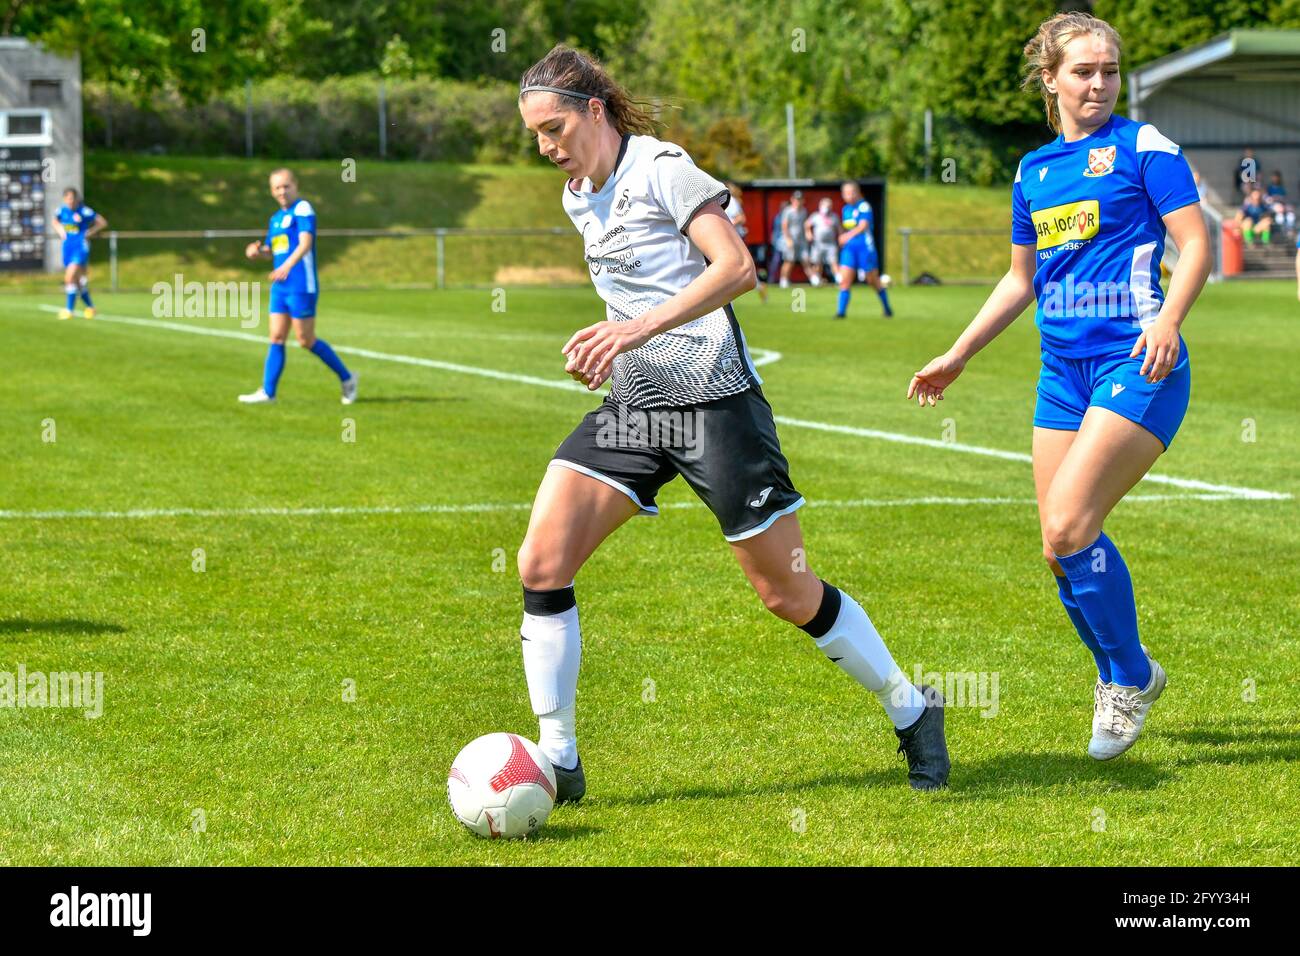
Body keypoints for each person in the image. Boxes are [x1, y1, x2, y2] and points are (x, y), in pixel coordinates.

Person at [516, 44, 951, 801]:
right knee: (541, 565)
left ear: (594, 110)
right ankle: (561, 761)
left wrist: (633, 328)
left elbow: (735, 270)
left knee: (787, 594)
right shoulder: (579, 194)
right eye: (536, 139)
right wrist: (614, 338)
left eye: (556, 129)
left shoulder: (660, 167)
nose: (549, 149)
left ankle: (912, 712)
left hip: (715, 407)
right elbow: (646, 287)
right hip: (636, 409)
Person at [907, 12, 1210, 760]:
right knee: (1056, 545)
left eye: (1109, 70)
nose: (1099, 83)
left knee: (1072, 522)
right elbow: (1022, 280)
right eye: (1083, 71)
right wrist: (959, 353)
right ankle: (1126, 673)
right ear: (1051, 78)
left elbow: (1199, 242)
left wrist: (1170, 318)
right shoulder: (1034, 170)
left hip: (1139, 364)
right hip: (1061, 377)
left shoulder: (1145, 148)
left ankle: (1129, 677)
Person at [238, 168, 358, 405]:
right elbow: (275, 249)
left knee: (305, 340)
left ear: (296, 186)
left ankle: (347, 378)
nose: (282, 191)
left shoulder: (303, 209)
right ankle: (268, 392)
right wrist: (257, 253)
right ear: (272, 191)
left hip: (301, 285)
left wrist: (287, 267)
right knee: (277, 336)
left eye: (286, 186)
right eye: (277, 188)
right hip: (281, 286)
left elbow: (305, 243)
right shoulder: (275, 219)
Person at [835, 181, 892, 318]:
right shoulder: (846, 209)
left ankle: (887, 309)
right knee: (844, 280)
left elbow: (862, 226)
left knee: (872, 280)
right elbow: (847, 227)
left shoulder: (864, 206)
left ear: (858, 192)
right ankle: (841, 313)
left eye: (851, 192)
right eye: (846, 193)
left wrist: (846, 236)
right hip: (849, 249)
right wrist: (842, 237)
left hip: (865, 248)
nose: (849, 195)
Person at [51, 188, 106, 320]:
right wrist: (60, 231)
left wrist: (90, 233)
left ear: (77, 199)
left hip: (80, 247)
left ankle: (69, 310)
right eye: (68, 198)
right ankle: (91, 307)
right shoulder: (61, 211)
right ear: (65, 199)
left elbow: (102, 222)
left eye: (72, 198)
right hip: (67, 247)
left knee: (69, 277)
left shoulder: (84, 211)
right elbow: (55, 221)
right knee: (77, 282)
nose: (70, 201)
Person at [725, 182, 767, 302]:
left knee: (741, 266)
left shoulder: (731, 200)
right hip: (732, 237)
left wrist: (727, 225)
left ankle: (759, 286)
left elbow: (741, 218)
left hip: (735, 237)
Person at [776, 191, 810, 288]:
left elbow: (805, 225)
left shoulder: (804, 211)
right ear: (792, 200)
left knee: (806, 259)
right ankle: (783, 281)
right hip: (789, 240)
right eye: (796, 199)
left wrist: (807, 234)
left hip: (801, 240)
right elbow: (784, 226)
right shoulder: (788, 211)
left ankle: (814, 280)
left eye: (800, 199)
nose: (798, 201)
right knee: (789, 261)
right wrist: (788, 239)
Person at [806, 197, 840, 286]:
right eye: (825, 205)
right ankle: (816, 279)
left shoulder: (834, 217)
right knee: (817, 263)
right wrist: (809, 233)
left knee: (833, 262)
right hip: (818, 244)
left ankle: (839, 279)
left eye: (829, 206)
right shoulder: (815, 216)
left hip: (831, 244)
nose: (827, 207)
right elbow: (807, 225)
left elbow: (839, 229)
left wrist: (841, 238)